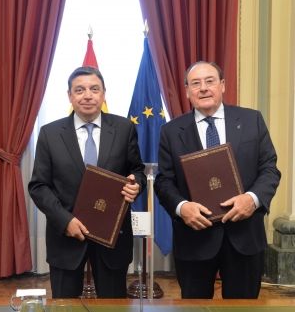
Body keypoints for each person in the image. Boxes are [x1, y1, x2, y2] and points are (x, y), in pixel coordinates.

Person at [154, 61, 281, 299]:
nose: (203, 88)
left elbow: (269, 169)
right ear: (187, 91)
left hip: (244, 236)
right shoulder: (171, 131)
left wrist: (252, 199)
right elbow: (164, 181)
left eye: (210, 81)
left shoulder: (252, 120)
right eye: (195, 83)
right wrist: (182, 207)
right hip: (194, 238)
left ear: (222, 85)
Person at [28, 66, 146, 298]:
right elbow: (39, 186)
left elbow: (137, 171)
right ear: (70, 96)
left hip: (113, 238)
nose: (87, 95)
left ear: (104, 94)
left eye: (94, 89)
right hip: (66, 237)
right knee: (65, 310)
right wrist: (65, 221)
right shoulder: (50, 133)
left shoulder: (124, 129)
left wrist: (137, 185)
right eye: (79, 90)